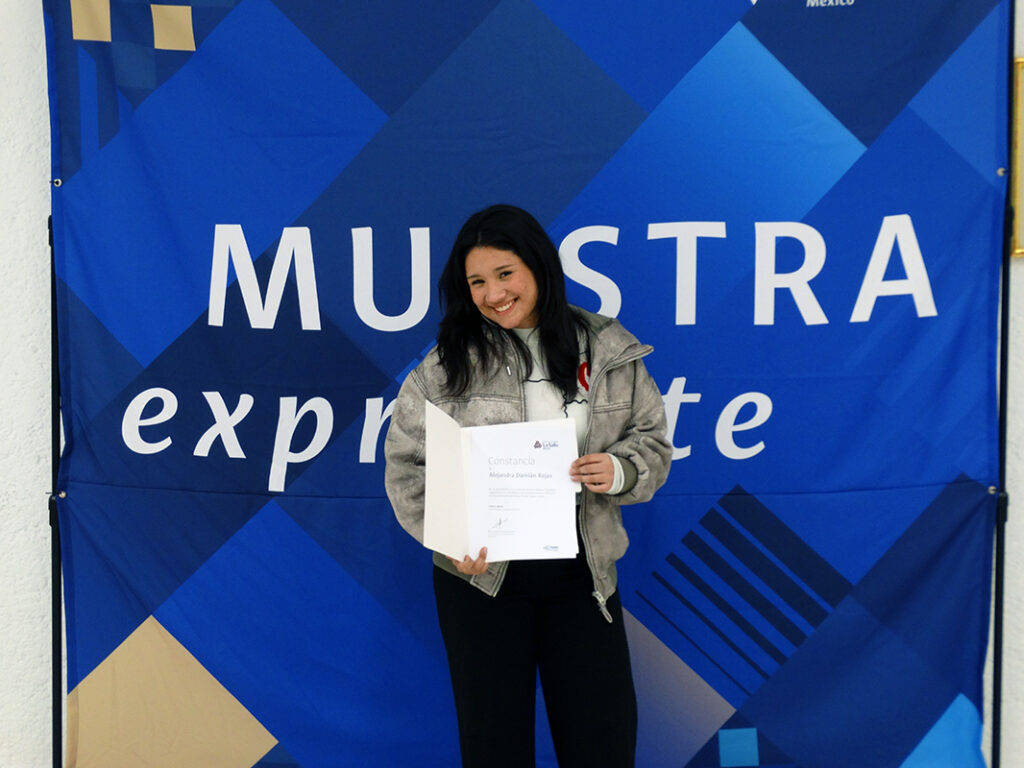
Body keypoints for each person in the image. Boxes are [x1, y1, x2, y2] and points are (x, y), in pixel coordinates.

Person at [384, 204, 671, 767]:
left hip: (584, 576)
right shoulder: (445, 365)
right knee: (495, 750)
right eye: (477, 282)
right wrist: (450, 537)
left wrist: (620, 470)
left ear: (538, 266)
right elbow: (406, 467)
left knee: (602, 744)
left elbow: (651, 441)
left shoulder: (606, 347)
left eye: (505, 274)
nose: (493, 294)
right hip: (481, 579)